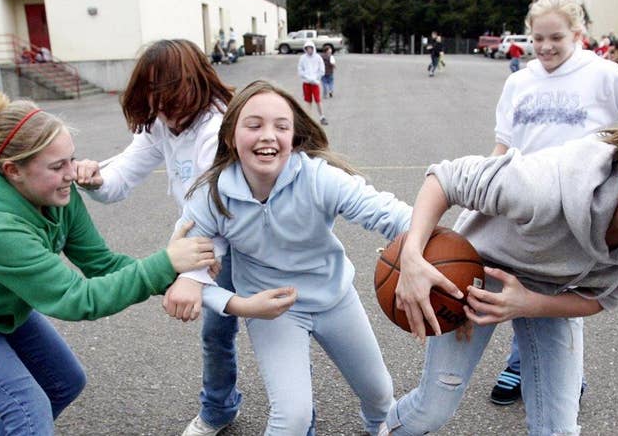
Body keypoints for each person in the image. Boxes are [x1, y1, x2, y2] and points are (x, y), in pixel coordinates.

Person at [380, 98, 618, 435]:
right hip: (480, 273)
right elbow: (444, 180)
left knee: (557, 430)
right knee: (433, 410)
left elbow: (601, 298)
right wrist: (412, 257)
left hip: (552, 295)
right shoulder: (542, 188)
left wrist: (530, 304)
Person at [0, 90, 218, 435]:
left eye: (71, 159)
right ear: (12, 170)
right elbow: (76, 298)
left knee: (64, 382)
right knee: (28, 407)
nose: (73, 173)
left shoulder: (56, 193)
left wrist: (179, 275)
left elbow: (101, 263)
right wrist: (165, 263)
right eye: (57, 165)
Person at [164, 80, 412, 435]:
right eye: (254, 125)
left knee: (379, 393)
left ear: (294, 139)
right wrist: (215, 293)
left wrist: (420, 248)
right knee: (293, 417)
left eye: (281, 126)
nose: (268, 135)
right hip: (272, 308)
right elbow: (188, 273)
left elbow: (392, 214)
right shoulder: (212, 196)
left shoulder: (318, 178)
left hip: (334, 298)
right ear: (231, 136)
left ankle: (379, 425)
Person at [452, 0, 618, 407]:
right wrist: (478, 199)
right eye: (537, 38)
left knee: (555, 293)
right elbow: (502, 146)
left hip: (579, 211)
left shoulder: (604, 76)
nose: (545, 47)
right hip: (525, 201)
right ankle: (543, 370)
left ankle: (543, 370)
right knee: (511, 280)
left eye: (555, 37)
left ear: (578, 34)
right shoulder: (519, 81)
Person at [72, 38, 244, 436]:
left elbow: (212, 208)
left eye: (169, 92)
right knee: (216, 335)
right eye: (152, 93)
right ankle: (219, 409)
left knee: (277, 331)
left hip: (249, 243)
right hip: (211, 246)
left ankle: (300, 412)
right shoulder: (161, 123)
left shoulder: (218, 125)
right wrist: (96, 180)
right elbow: (121, 178)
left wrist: (190, 274)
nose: (162, 104)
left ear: (196, 80)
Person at [298, 40, 327, 125]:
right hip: (306, 83)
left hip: (315, 83)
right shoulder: (303, 58)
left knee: (318, 100)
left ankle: (322, 117)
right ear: (305, 49)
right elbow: (300, 69)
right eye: (307, 48)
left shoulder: (318, 57)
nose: (309, 50)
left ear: (313, 48)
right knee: (308, 101)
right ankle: (308, 119)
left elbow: (322, 70)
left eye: (310, 48)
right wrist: (306, 77)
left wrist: (316, 78)